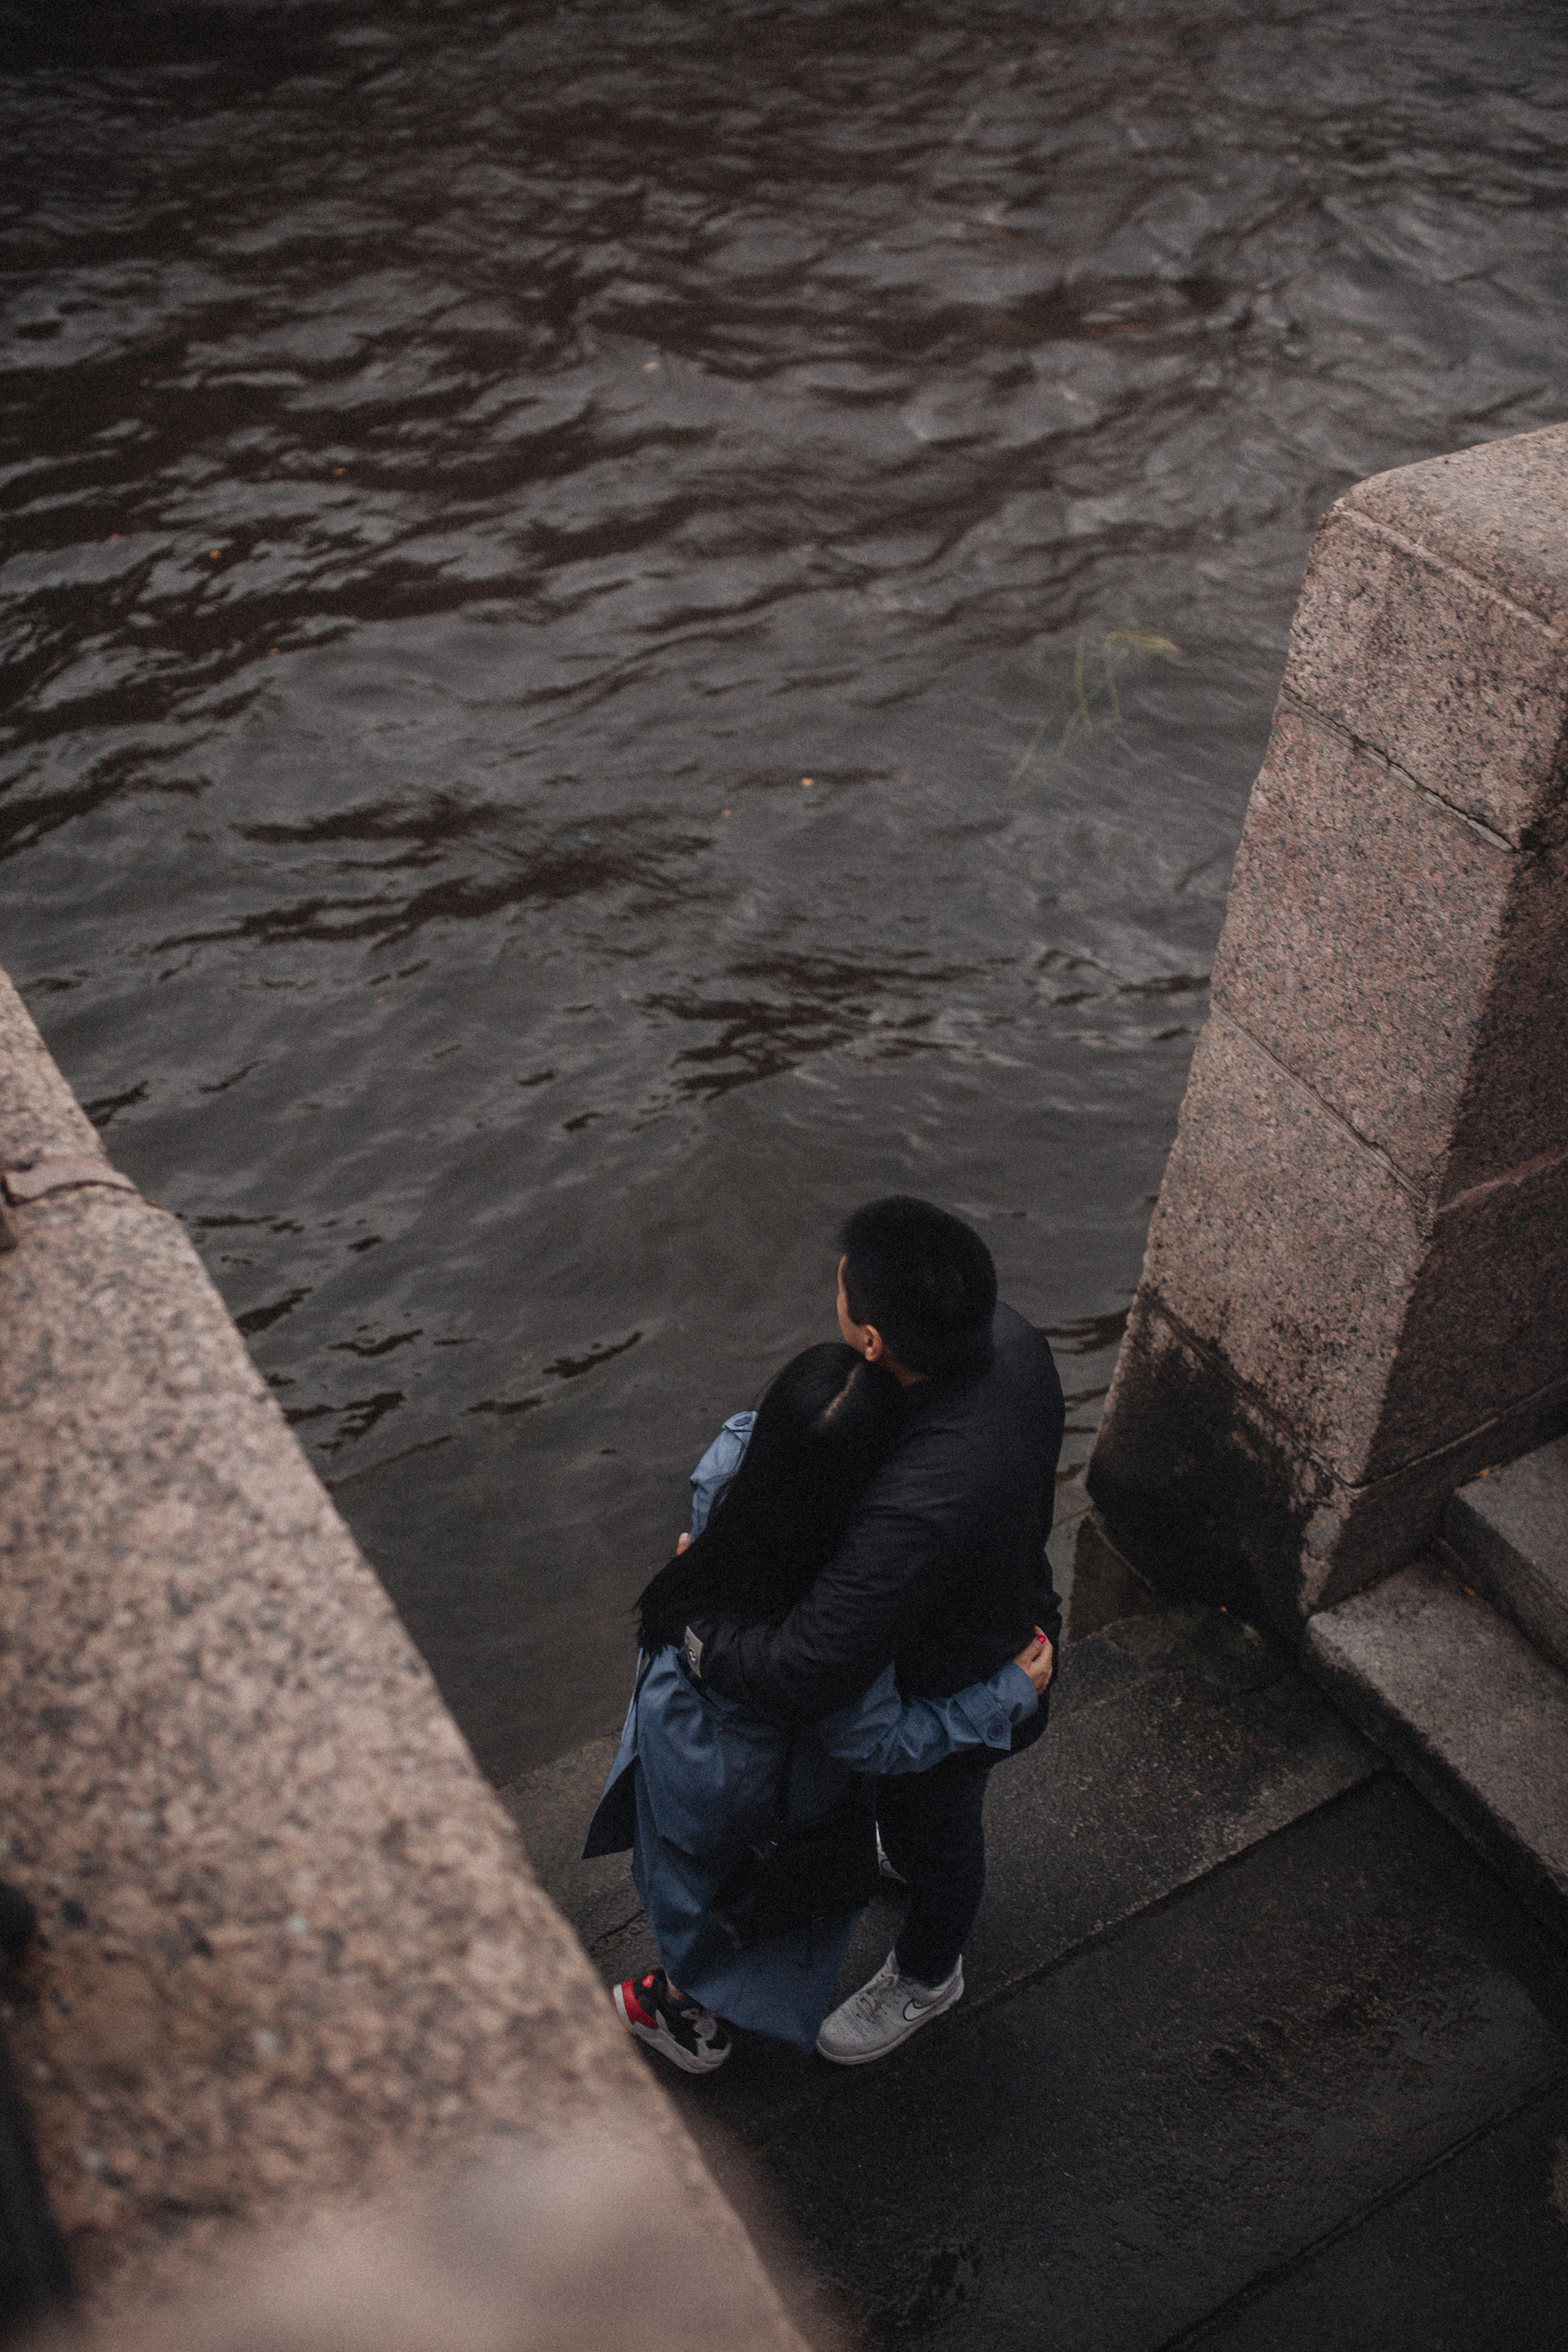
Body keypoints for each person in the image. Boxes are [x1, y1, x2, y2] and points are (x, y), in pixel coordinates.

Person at [583, 1340, 1054, 2073]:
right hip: (747, 1784)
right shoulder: (830, 1623)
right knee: (738, 1905)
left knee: (688, 1872)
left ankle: (684, 1991)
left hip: (673, 1728)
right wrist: (1003, 1698)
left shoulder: (733, 1464)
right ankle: (674, 2007)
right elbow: (875, 1742)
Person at [685, 1196, 1065, 2065]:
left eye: (845, 1282)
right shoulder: (1014, 1343)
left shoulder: (919, 1505)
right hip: (1010, 1602)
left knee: (940, 1831)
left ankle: (930, 1973)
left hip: (956, 1679)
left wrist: (705, 1633)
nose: (838, 1285)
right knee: (917, 1815)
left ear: (872, 1343)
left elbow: (807, 1668)